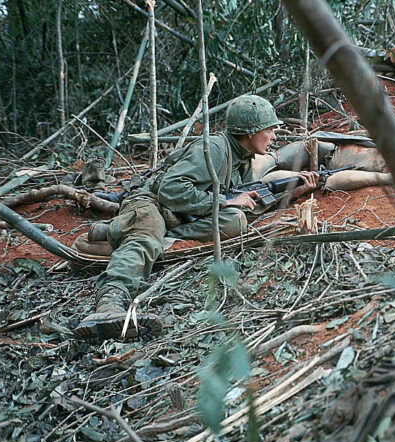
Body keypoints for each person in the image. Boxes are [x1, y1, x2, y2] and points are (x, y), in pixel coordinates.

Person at [74, 95, 319, 341]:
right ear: (250, 131)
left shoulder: (243, 162)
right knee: (146, 235)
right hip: (151, 202)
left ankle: (122, 232)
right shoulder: (215, 148)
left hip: (182, 214)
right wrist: (225, 201)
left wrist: (295, 192)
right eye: (269, 129)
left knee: (235, 221)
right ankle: (108, 305)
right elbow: (169, 189)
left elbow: (243, 206)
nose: (274, 136)